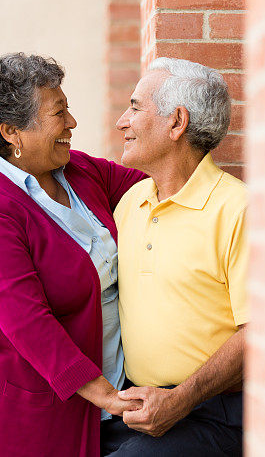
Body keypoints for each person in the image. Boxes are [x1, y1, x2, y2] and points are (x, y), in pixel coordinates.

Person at [0, 53, 146, 457]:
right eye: (59, 113)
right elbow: (28, 324)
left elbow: (147, 189)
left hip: (110, 408)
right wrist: (105, 394)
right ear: (12, 132)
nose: (72, 123)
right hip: (24, 424)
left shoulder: (77, 170)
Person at [103, 57, 247, 456]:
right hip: (135, 405)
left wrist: (182, 398)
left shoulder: (237, 208)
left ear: (176, 122)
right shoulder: (130, 203)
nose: (121, 122)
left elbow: (260, 332)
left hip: (212, 412)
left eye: (134, 107)